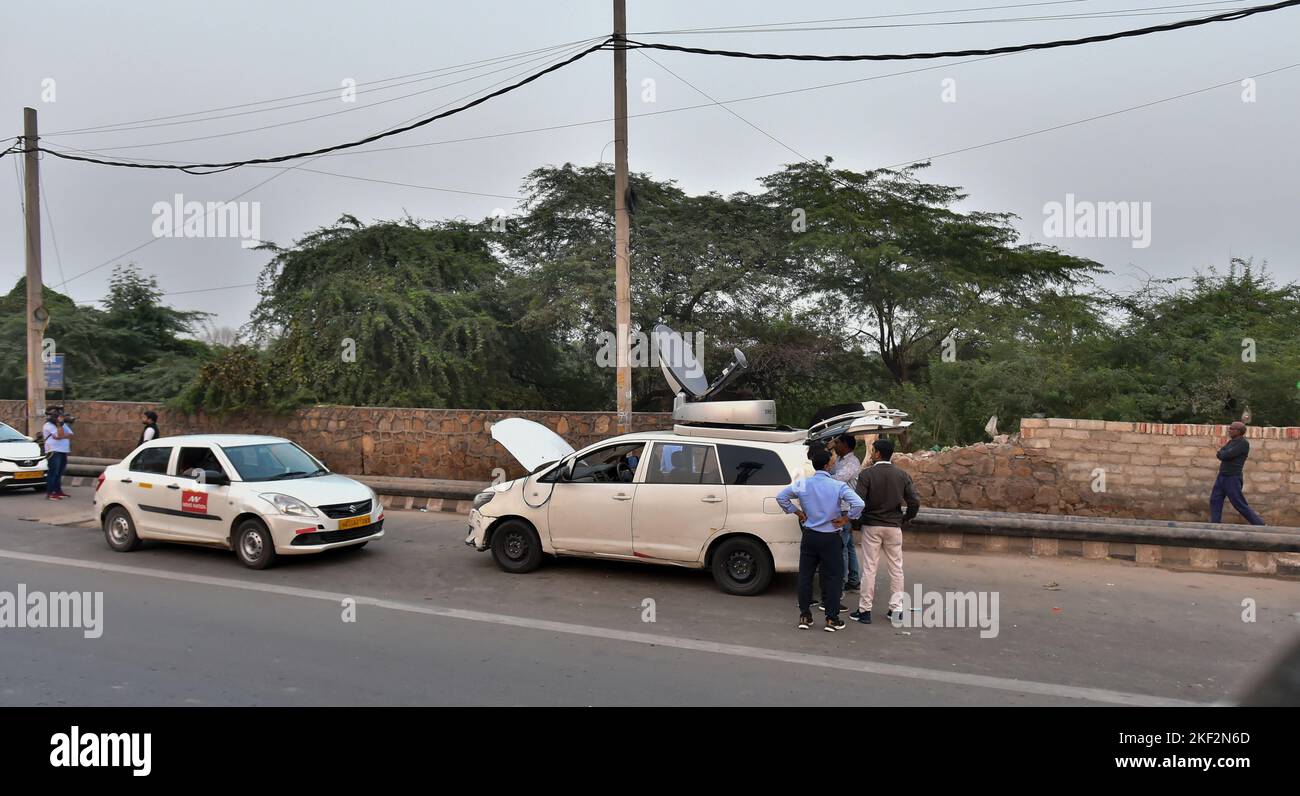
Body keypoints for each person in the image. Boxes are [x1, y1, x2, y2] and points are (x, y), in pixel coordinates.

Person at [777, 448, 865, 633]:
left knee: (806, 576)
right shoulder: (837, 486)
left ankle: (805, 615)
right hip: (831, 536)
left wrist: (799, 513)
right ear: (827, 465)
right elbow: (859, 503)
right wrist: (846, 518)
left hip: (810, 535)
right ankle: (831, 619)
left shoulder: (803, 484)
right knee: (832, 577)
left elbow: (781, 497)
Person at [850, 438, 920, 625]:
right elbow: (914, 501)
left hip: (872, 526)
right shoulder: (902, 475)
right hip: (893, 526)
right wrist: (905, 518)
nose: (871, 454)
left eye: (873, 451)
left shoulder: (867, 475)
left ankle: (865, 611)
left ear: (878, 453)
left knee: (869, 569)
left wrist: (857, 521)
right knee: (896, 568)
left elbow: (858, 502)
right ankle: (896, 610)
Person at [1210, 421, 1266, 526]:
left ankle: (1259, 524)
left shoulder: (1243, 443)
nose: (1229, 430)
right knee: (1215, 500)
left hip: (1232, 477)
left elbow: (1226, 455)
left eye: (1232, 429)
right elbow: (1220, 454)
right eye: (1230, 428)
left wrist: (1223, 453)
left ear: (1239, 431)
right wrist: (1223, 453)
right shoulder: (1231, 442)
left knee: (1238, 503)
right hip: (1222, 476)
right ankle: (1214, 525)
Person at [829, 434, 863, 592]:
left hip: (846, 508)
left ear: (845, 445)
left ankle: (840, 584)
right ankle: (854, 579)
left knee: (841, 547)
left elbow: (838, 479)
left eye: (837, 442)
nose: (834, 445)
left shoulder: (852, 462)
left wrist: (821, 476)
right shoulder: (840, 460)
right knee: (848, 546)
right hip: (842, 507)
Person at [42, 408, 74, 501]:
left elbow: (71, 434)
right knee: (53, 472)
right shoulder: (48, 425)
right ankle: (50, 493)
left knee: (59, 472)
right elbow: (58, 436)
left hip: (63, 450)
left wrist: (61, 431)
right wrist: (59, 426)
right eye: (59, 417)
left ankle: (58, 491)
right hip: (53, 451)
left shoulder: (63, 425)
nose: (61, 419)